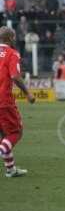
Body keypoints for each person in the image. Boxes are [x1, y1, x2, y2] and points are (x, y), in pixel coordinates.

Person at [0, 26, 35, 178]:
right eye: (13, 37)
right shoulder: (12, 53)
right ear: (9, 38)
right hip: (3, 101)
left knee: (3, 135)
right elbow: (15, 76)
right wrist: (27, 93)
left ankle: (10, 169)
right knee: (15, 132)